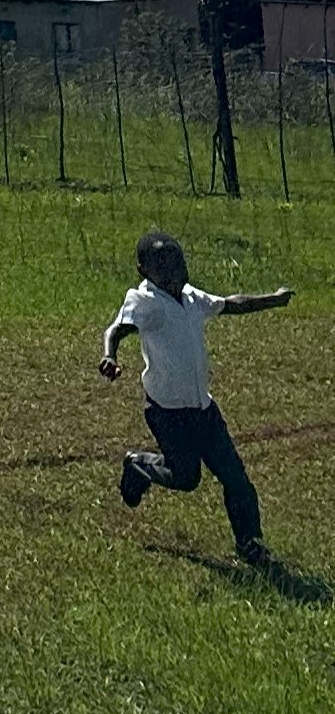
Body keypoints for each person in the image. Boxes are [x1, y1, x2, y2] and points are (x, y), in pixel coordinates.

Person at [103, 229, 293, 566]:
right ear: (144, 270)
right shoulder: (145, 302)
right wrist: (110, 356)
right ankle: (138, 464)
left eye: (179, 264)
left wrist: (273, 299)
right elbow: (117, 328)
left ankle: (250, 542)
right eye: (164, 267)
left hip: (204, 410)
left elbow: (232, 304)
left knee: (236, 478)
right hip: (168, 414)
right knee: (187, 478)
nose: (174, 273)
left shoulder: (191, 298)